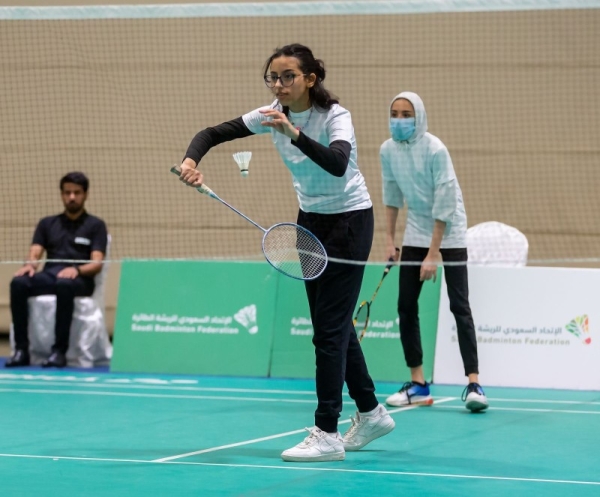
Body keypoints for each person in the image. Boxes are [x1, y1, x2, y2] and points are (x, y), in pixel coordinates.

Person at [177, 43, 395, 462]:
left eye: (288, 77)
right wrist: (190, 160)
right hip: (309, 223)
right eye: (272, 77)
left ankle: (328, 432)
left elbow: (336, 162)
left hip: (350, 222)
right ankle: (370, 412)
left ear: (310, 79)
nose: (279, 85)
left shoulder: (336, 117)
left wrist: (291, 132)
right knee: (332, 324)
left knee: (328, 332)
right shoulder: (269, 114)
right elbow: (212, 133)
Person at [380, 91, 489, 412]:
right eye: (395, 114)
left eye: (406, 114)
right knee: (405, 304)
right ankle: (418, 383)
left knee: (460, 305)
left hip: (449, 227)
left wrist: (432, 253)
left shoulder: (435, 149)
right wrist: (389, 239)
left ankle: (474, 383)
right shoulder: (387, 150)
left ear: (419, 117)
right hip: (416, 226)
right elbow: (391, 194)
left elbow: (445, 202)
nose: (399, 120)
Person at [6, 172, 108, 369]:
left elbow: (97, 264)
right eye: (67, 192)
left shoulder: (95, 225)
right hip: (51, 275)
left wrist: (76, 270)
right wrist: (29, 265)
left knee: (64, 285)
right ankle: (21, 350)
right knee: (18, 283)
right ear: (61, 194)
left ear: (85, 194)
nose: (72, 197)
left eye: (76, 192)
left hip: (80, 279)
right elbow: (35, 253)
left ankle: (59, 352)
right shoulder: (47, 224)